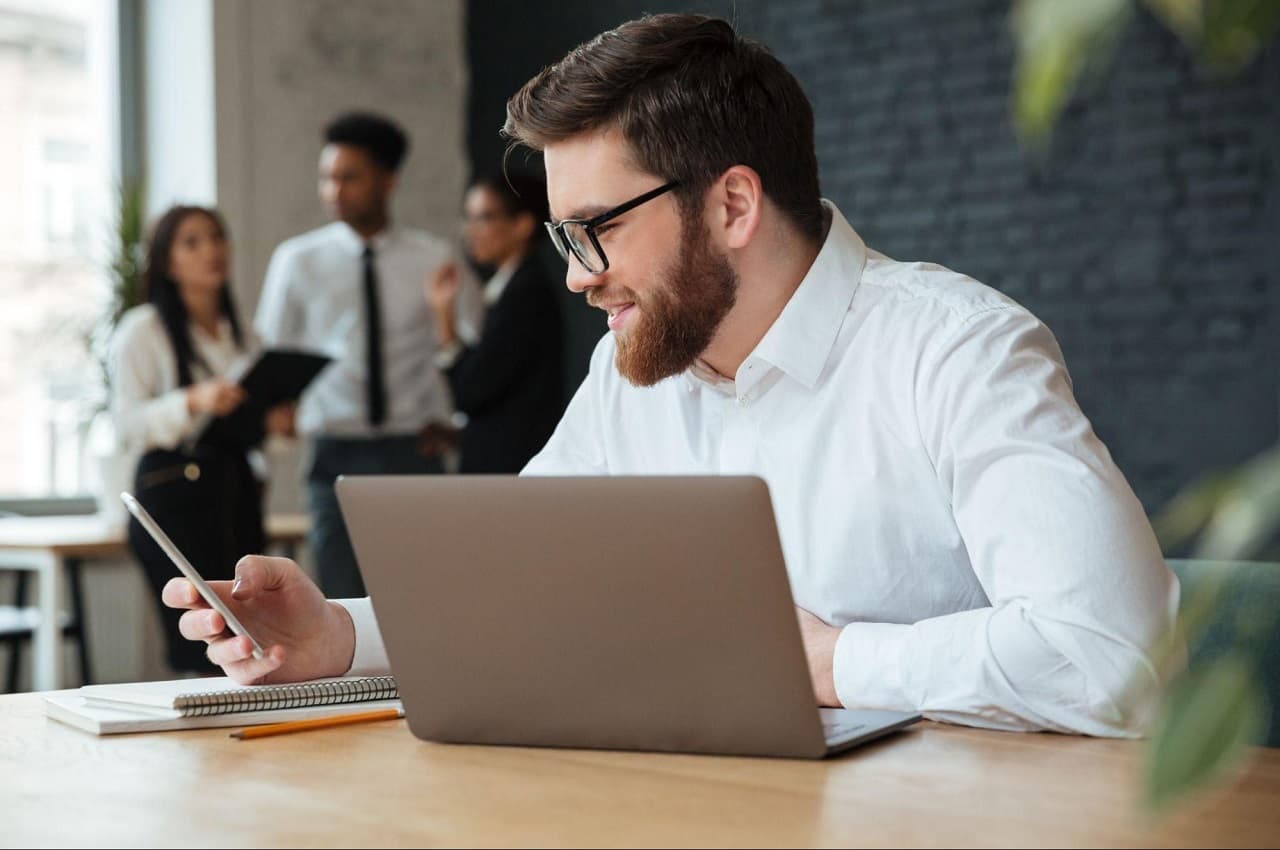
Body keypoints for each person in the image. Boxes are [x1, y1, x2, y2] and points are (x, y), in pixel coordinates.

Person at [164, 15, 1178, 736]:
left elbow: (1112, 657)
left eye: (596, 229)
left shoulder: (956, 351)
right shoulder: (633, 371)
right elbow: (520, 590)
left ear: (732, 205)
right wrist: (337, 635)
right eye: (561, 235)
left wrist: (825, 661)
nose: (572, 275)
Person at [254, 112, 477, 598]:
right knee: (341, 601)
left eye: (348, 177)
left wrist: (459, 424)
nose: (333, 190)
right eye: (327, 178)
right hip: (334, 449)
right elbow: (274, 354)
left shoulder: (432, 257)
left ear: (387, 180)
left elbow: (470, 348)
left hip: (414, 449)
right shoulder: (296, 261)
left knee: (425, 598)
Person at [112, 205, 294, 673]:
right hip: (172, 495)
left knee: (246, 632)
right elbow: (127, 424)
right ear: (167, 261)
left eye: (216, 237)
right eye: (191, 242)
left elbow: (248, 433)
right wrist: (192, 401)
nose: (211, 251)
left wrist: (272, 425)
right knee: (202, 641)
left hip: (233, 492)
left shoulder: (244, 336)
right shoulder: (143, 330)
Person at [424, 173, 564, 473]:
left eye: (484, 218)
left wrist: (444, 319)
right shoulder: (511, 287)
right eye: (469, 218)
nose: (471, 231)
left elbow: (471, 392)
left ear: (522, 225)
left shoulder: (525, 293)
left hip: (509, 469)